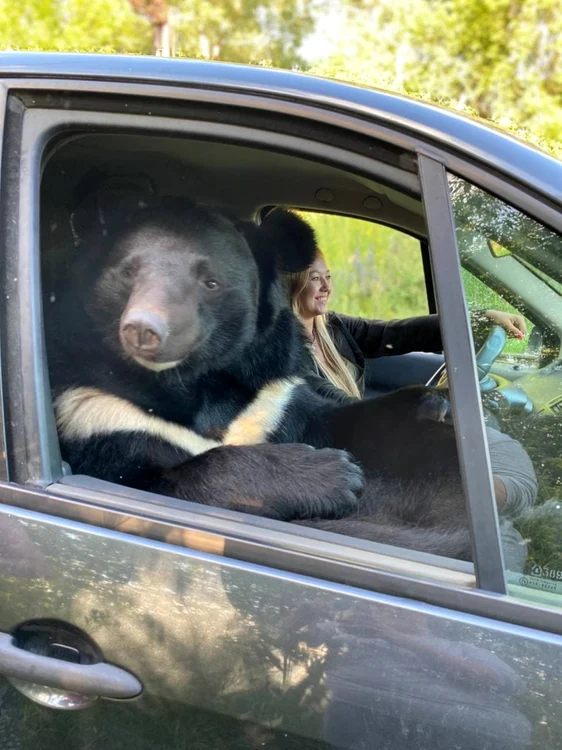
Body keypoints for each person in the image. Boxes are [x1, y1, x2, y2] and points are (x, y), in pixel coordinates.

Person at [284, 241, 536, 571]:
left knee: (492, 475)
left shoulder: (331, 327)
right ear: (290, 284)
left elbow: (397, 333)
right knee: (489, 528)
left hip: (363, 446)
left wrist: (475, 320)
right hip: (339, 463)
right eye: (316, 278)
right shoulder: (283, 354)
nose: (327, 287)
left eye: (329, 276)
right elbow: (340, 413)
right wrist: (415, 410)